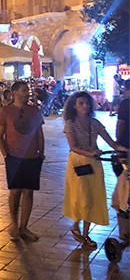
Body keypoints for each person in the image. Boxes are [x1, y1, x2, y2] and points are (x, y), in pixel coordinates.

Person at [63, 91, 128, 248]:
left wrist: (123, 149)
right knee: (82, 196)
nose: (85, 106)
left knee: (91, 197)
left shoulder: (95, 123)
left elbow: (111, 142)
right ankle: (77, 226)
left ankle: (84, 234)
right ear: (74, 106)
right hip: (79, 163)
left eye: (86, 103)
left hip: (94, 163)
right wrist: (90, 152)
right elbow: (74, 147)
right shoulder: (70, 124)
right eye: (81, 103)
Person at [0, 81, 45, 241]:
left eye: (27, 90)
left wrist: (41, 153)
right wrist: (5, 154)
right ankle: (13, 222)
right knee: (15, 191)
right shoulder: (6, 111)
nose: (27, 93)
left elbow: (39, 133)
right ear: (15, 92)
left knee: (28, 191)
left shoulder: (34, 110)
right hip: (13, 155)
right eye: (24, 90)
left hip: (32, 156)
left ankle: (24, 227)